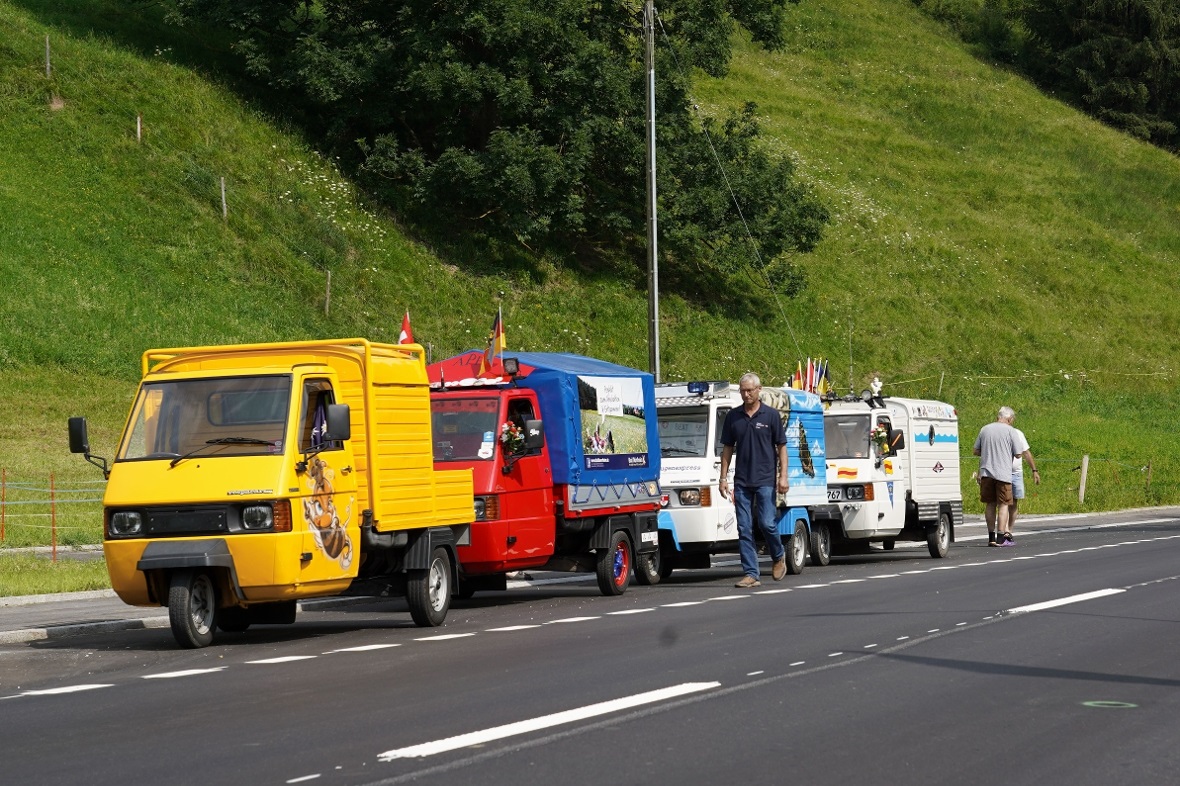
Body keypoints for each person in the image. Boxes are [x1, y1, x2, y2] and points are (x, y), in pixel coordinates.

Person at [719, 372, 790, 588]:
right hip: (742, 481)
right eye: (743, 391)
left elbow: (782, 447)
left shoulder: (770, 416)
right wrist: (723, 478)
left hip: (765, 480)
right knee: (744, 527)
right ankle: (751, 574)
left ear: (759, 390)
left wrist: (783, 476)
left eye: (750, 390)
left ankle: (778, 555)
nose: (746, 394)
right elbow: (728, 449)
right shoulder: (733, 417)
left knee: (767, 523)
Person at [972, 406, 1023, 547]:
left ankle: (991, 537)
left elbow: (975, 451)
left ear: (998, 417)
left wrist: (989, 451)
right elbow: (1018, 453)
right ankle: (1001, 537)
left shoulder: (985, 429)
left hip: (986, 473)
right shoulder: (1011, 431)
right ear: (1010, 419)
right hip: (1004, 474)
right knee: (1004, 504)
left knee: (990, 504)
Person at [1005, 409, 1040, 543]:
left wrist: (1034, 470)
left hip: (1016, 473)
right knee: (1003, 502)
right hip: (1002, 472)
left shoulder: (1017, 433)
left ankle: (1009, 530)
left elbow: (1026, 453)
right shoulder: (997, 433)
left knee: (1014, 502)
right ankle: (1003, 530)